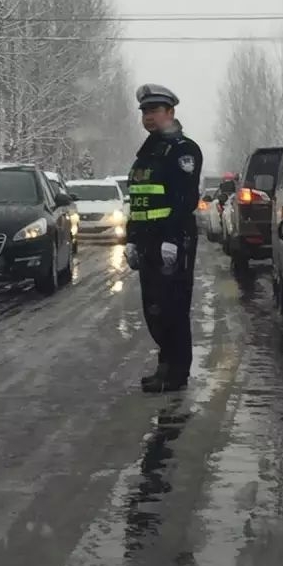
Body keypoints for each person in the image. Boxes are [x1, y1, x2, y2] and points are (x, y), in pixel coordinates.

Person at [125, 84, 203, 393]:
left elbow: (184, 199)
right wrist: (131, 238)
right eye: (145, 111)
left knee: (173, 307)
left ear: (170, 112)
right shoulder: (147, 152)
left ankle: (176, 372)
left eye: (155, 110)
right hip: (147, 240)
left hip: (173, 239)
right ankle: (165, 365)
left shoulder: (182, 149)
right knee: (153, 307)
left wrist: (171, 238)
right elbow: (138, 198)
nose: (149, 116)